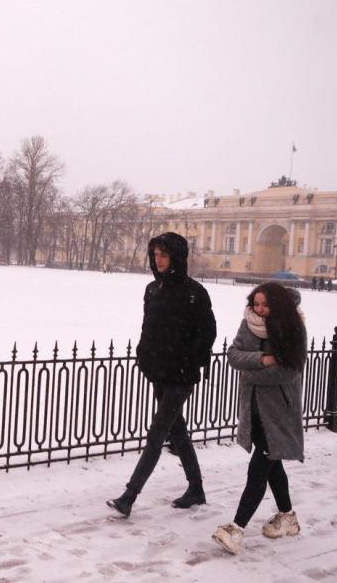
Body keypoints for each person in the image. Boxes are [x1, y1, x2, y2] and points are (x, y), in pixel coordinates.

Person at [107, 232, 217, 517]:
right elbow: (149, 329)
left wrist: (188, 362)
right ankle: (196, 488)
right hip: (159, 372)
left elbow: (207, 334)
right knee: (178, 432)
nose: (158, 260)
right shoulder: (152, 289)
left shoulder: (195, 292)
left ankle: (129, 496)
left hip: (181, 376)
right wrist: (144, 356)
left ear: (176, 257)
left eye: (164, 255)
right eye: (155, 254)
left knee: (157, 434)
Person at [212, 282, 306, 554]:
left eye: (266, 305)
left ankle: (236, 528)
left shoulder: (292, 328)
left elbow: (289, 371)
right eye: (257, 304)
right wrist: (263, 359)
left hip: (278, 411)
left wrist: (250, 372)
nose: (260, 309)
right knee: (272, 464)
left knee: (258, 469)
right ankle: (287, 517)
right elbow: (233, 354)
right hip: (253, 408)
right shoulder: (248, 323)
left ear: (278, 305)